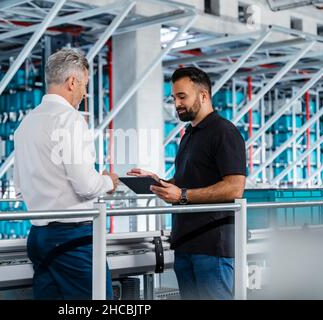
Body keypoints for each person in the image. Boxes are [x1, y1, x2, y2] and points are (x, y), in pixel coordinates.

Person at [128, 67, 246, 300]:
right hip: (186, 245)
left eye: (182, 97)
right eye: (174, 98)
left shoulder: (224, 132)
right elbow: (185, 182)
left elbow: (235, 187)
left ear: (203, 96)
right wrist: (158, 182)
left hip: (212, 249)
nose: (177, 104)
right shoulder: (189, 135)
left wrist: (182, 195)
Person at [14, 48, 119, 300]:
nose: (84, 93)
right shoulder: (70, 120)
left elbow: (18, 185)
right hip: (73, 239)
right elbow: (85, 185)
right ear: (72, 82)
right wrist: (108, 181)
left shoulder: (26, 123)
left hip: (38, 237)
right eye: (84, 85)